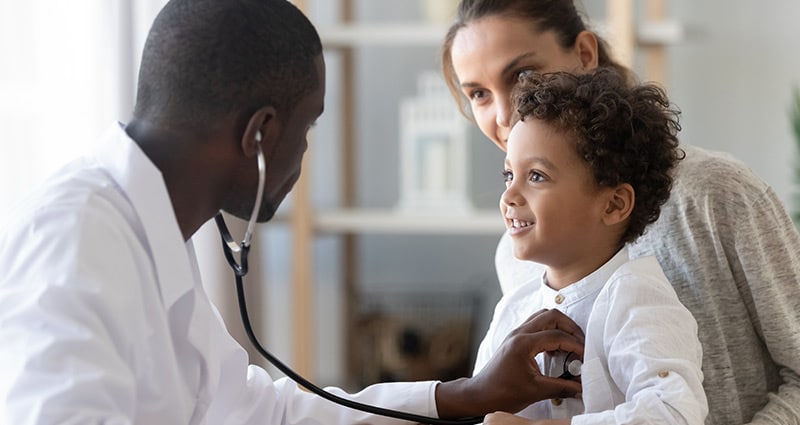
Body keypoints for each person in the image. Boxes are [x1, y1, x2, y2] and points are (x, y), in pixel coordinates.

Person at [0, 1, 587, 424]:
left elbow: (263, 410)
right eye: (306, 127)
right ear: (260, 135)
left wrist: (468, 394)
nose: (304, 154)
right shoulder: (72, 238)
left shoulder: (148, 234)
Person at [440, 1, 800, 424]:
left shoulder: (717, 195)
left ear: (586, 54)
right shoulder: (519, 257)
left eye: (522, 75)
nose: (504, 114)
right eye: (478, 94)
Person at [489, 68, 706, 424]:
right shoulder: (514, 309)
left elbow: (674, 414)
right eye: (509, 174)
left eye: (537, 176)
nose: (510, 195)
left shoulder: (637, 300)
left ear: (613, 205)